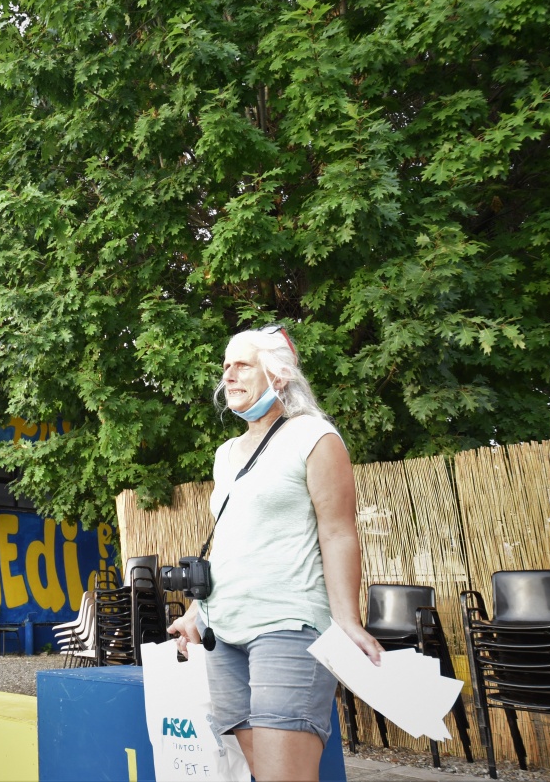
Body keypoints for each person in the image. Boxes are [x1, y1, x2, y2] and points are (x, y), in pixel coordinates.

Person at [167, 325, 382, 782]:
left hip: (289, 625)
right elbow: (229, 541)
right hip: (223, 632)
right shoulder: (226, 454)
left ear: (279, 375)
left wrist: (347, 619)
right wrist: (197, 613)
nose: (228, 375)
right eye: (226, 366)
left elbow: (338, 532)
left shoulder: (315, 437)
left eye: (243, 365)